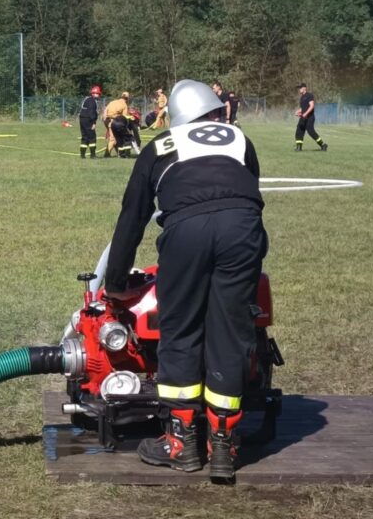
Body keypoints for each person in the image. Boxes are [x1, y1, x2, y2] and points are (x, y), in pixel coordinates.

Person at [103, 79, 267, 483]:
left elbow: (132, 219)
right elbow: (248, 194)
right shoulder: (240, 140)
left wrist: (116, 282)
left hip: (187, 232)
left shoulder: (159, 146)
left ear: (176, 116)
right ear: (213, 111)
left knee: (180, 328)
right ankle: (224, 444)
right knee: (230, 331)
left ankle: (181, 442)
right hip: (242, 230)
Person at [294, 82, 327, 151]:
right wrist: (298, 111)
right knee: (299, 131)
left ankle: (323, 145)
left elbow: (311, 106)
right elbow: (303, 108)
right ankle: (299, 148)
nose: (299, 89)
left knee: (311, 132)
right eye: (299, 88)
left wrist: (305, 114)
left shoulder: (309, 95)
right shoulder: (302, 97)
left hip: (310, 118)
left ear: (304, 88)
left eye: (300, 88)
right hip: (303, 118)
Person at [104, 91, 133, 158]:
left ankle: (119, 153)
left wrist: (105, 119)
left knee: (116, 138)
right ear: (127, 99)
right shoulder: (124, 105)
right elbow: (124, 117)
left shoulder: (112, 102)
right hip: (115, 122)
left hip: (107, 120)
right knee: (113, 139)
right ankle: (107, 154)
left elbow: (105, 110)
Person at [78, 85, 102, 158]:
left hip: (82, 119)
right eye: (98, 94)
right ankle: (93, 155)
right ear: (94, 93)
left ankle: (82, 155)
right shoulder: (92, 101)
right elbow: (91, 113)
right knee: (92, 137)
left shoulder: (87, 99)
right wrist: (94, 122)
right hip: (88, 120)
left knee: (84, 137)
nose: (98, 95)